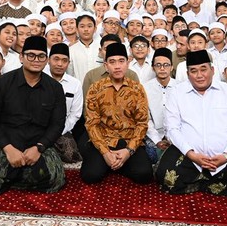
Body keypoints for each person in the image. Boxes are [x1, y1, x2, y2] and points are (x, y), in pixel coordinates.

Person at [156, 50, 227, 199]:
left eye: (203, 69)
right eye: (193, 71)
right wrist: (191, 154)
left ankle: (200, 182)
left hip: (224, 155)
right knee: (165, 178)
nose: (199, 75)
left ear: (212, 70)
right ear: (188, 74)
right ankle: (213, 183)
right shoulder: (176, 93)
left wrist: (226, 155)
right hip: (189, 155)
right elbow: (172, 129)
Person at [0, 36, 66, 196]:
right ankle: (21, 175)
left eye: (41, 56)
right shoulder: (1, 84)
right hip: (6, 142)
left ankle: (12, 176)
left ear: (46, 60)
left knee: (55, 179)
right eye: (31, 55)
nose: (36, 60)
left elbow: (57, 124)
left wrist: (39, 147)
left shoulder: (55, 88)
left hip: (38, 143)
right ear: (21, 57)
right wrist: (8, 148)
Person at [80, 42, 151, 185]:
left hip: (129, 139)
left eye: (121, 61)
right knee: (90, 175)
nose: (117, 66)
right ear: (106, 66)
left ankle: (116, 164)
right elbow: (92, 123)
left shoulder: (137, 89)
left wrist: (128, 151)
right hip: (104, 139)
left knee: (144, 175)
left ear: (127, 63)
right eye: (112, 62)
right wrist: (105, 153)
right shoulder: (95, 88)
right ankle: (113, 163)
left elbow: (142, 123)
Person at [46, 43, 83, 163]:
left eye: (64, 60)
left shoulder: (75, 84)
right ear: (48, 60)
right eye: (56, 59)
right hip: (39, 128)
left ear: (68, 63)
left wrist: (58, 131)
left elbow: (75, 114)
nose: (60, 64)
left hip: (62, 129)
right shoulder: (40, 79)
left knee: (72, 156)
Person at [143, 48, 176, 164]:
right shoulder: (145, 88)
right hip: (153, 135)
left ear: (171, 67)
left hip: (176, 135)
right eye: (158, 65)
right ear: (153, 67)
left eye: (166, 65)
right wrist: (157, 140)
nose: (162, 68)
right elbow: (146, 119)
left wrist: (172, 138)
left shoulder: (180, 88)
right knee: (152, 155)